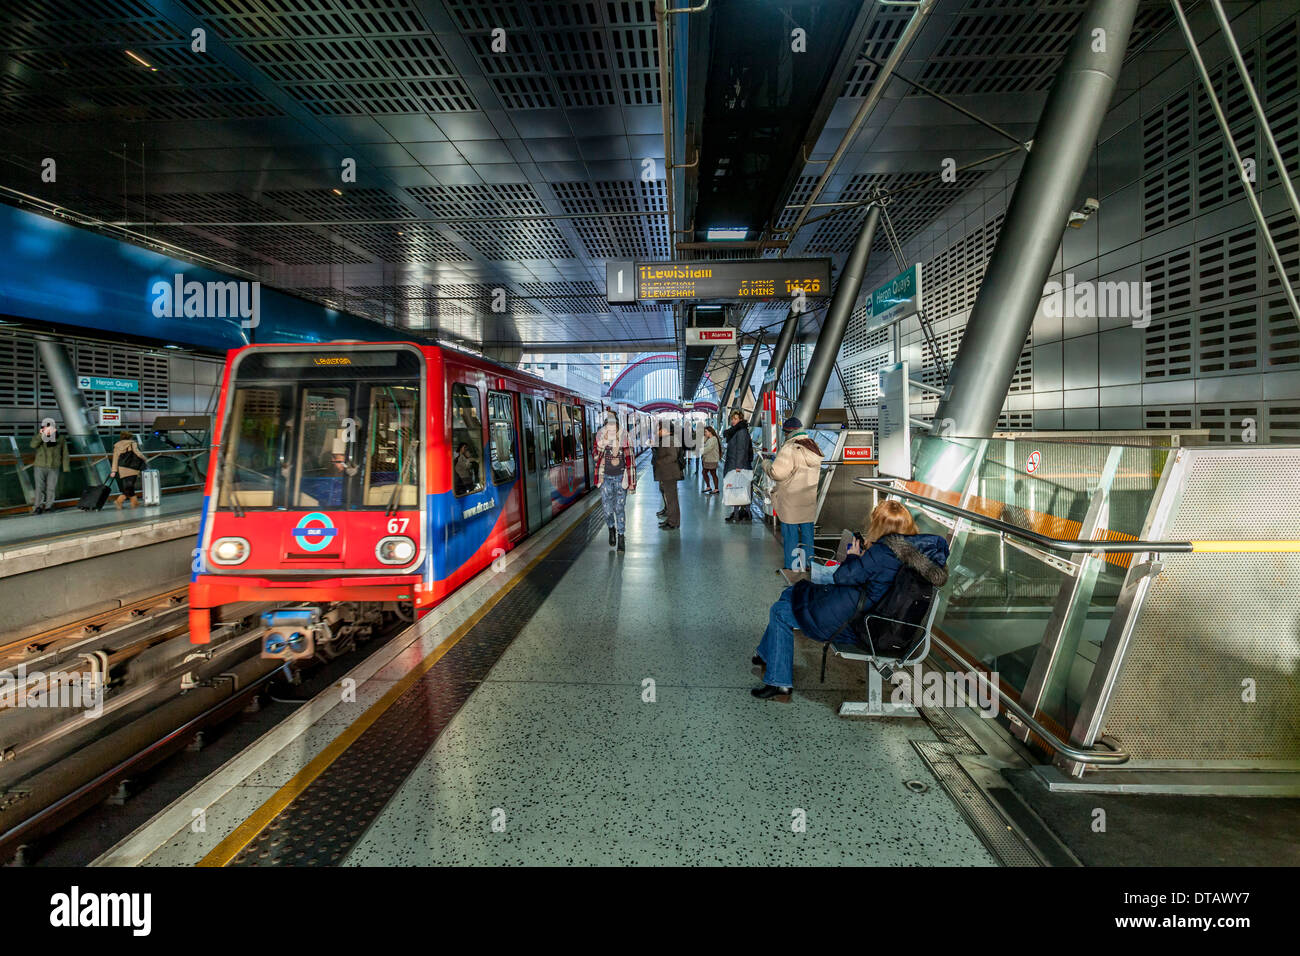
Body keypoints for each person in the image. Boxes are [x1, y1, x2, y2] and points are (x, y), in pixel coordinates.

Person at [751, 501, 949, 701]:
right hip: (874, 616)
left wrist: (854, 556)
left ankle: (779, 682)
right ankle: (766, 653)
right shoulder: (914, 552)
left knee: (781, 611)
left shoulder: (883, 552)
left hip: (862, 626)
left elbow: (842, 577)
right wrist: (866, 559)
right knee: (790, 594)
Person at [764, 417, 823, 570]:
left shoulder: (790, 448)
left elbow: (777, 472)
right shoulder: (813, 446)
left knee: (790, 534)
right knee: (807, 533)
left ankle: (793, 565)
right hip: (808, 496)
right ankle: (809, 563)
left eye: (784, 433)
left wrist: (766, 463)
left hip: (791, 498)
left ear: (789, 432)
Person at [594, 411, 636, 551]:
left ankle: (621, 536)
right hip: (605, 478)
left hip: (620, 478)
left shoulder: (625, 438)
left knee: (619, 508)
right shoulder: (601, 440)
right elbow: (595, 457)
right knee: (607, 510)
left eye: (613, 427)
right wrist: (602, 445)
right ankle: (611, 528)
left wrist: (632, 483)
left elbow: (631, 461)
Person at [29, 417, 70, 514]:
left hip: (54, 466)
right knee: (39, 487)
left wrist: (66, 467)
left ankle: (49, 506)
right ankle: (38, 507)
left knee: (51, 487)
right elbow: (33, 445)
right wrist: (42, 434)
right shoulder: (39, 436)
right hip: (40, 465)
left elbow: (65, 453)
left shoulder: (60, 438)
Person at [722, 411, 754, 523]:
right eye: (732, 419)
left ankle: (741, 513)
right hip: (735, 463)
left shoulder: (741, 432)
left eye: (735, 419)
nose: (733, 421)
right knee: (739, 488)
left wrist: (739, 467)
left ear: (740, 419)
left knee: (739, 488)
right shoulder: (736, 431)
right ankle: (740, 512)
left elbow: (741, 449)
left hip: (738, 465)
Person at [651, 421, 683, 530]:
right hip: (668, 473)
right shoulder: (667, 439)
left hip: (669, 473)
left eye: (659, 429)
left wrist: (659, 462)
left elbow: (672, 456)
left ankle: (673, 522)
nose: (657, 431)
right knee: (670, 499)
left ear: (666, 430)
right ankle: (670, 520)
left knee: (671, 499)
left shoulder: (669, 440)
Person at [109, 430, 149, 509]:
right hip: (132, 467)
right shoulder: (132, 443)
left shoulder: (117, 445)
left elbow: (115, 458)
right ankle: (119, 501)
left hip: (122, 468)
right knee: (129, 485)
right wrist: (145, 458)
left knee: (129, 486)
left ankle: (134, 502)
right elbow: (138, 453)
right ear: (130, 437)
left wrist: (114, 470)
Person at [700, 425, 721, 494]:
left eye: (706, 432)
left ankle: (715, 488)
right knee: (708, 473)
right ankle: (710, 487)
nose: (705, 433)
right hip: (708, 459)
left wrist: (700, 451)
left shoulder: (713, 439)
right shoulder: (709, 439)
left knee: (711, 473)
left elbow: (709, 448)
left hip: (711, 460)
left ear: (710, 432)